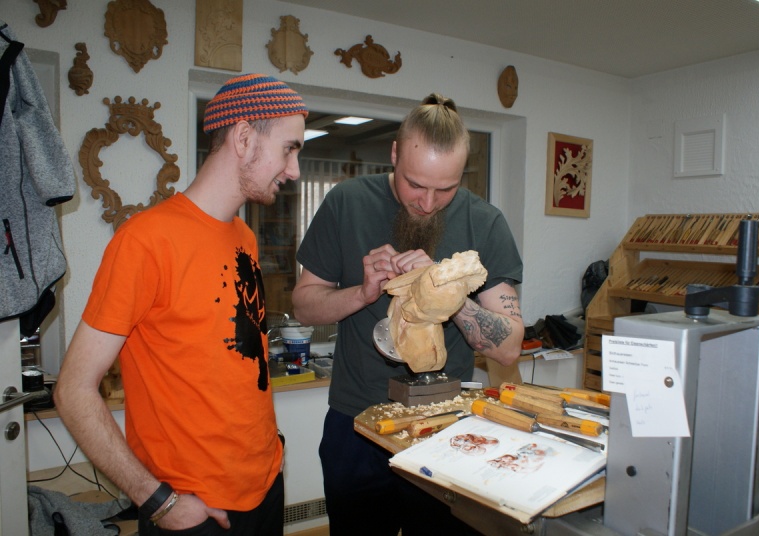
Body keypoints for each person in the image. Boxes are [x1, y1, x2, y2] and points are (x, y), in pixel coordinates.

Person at [54, 74, 308, 535]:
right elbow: (72, 390)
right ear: (244, 138)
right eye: (289, 149)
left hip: (265, 487)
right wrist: (157, 500)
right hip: (193, 510)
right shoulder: (145, 241)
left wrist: (269, 449)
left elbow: (234, 364)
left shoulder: (245, 237)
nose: (294, 170)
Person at [292, 93, 524, 535]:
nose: (429, 203)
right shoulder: (346, 202)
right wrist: (361, 294)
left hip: (444, 427)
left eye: (446, 189)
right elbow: (303, 306)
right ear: (395, 155)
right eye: (415, 184)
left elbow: (509, 347)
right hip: (356, 424)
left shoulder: (485, 223)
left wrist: (447, 292)